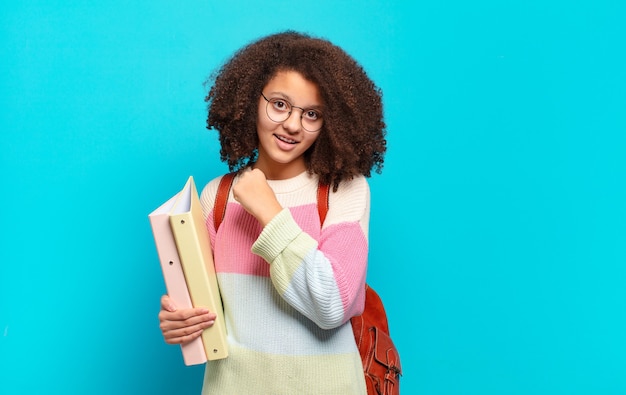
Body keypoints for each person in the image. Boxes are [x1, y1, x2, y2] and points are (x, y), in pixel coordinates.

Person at [158, 30, 387, 394]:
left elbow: (331, 306)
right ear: (250, 102)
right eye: (279, 104)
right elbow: (207, 312)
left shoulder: (345, 189)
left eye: (312, 114)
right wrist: (181, 322)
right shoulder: (216, 196)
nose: (293, 125)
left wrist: (269, 210)